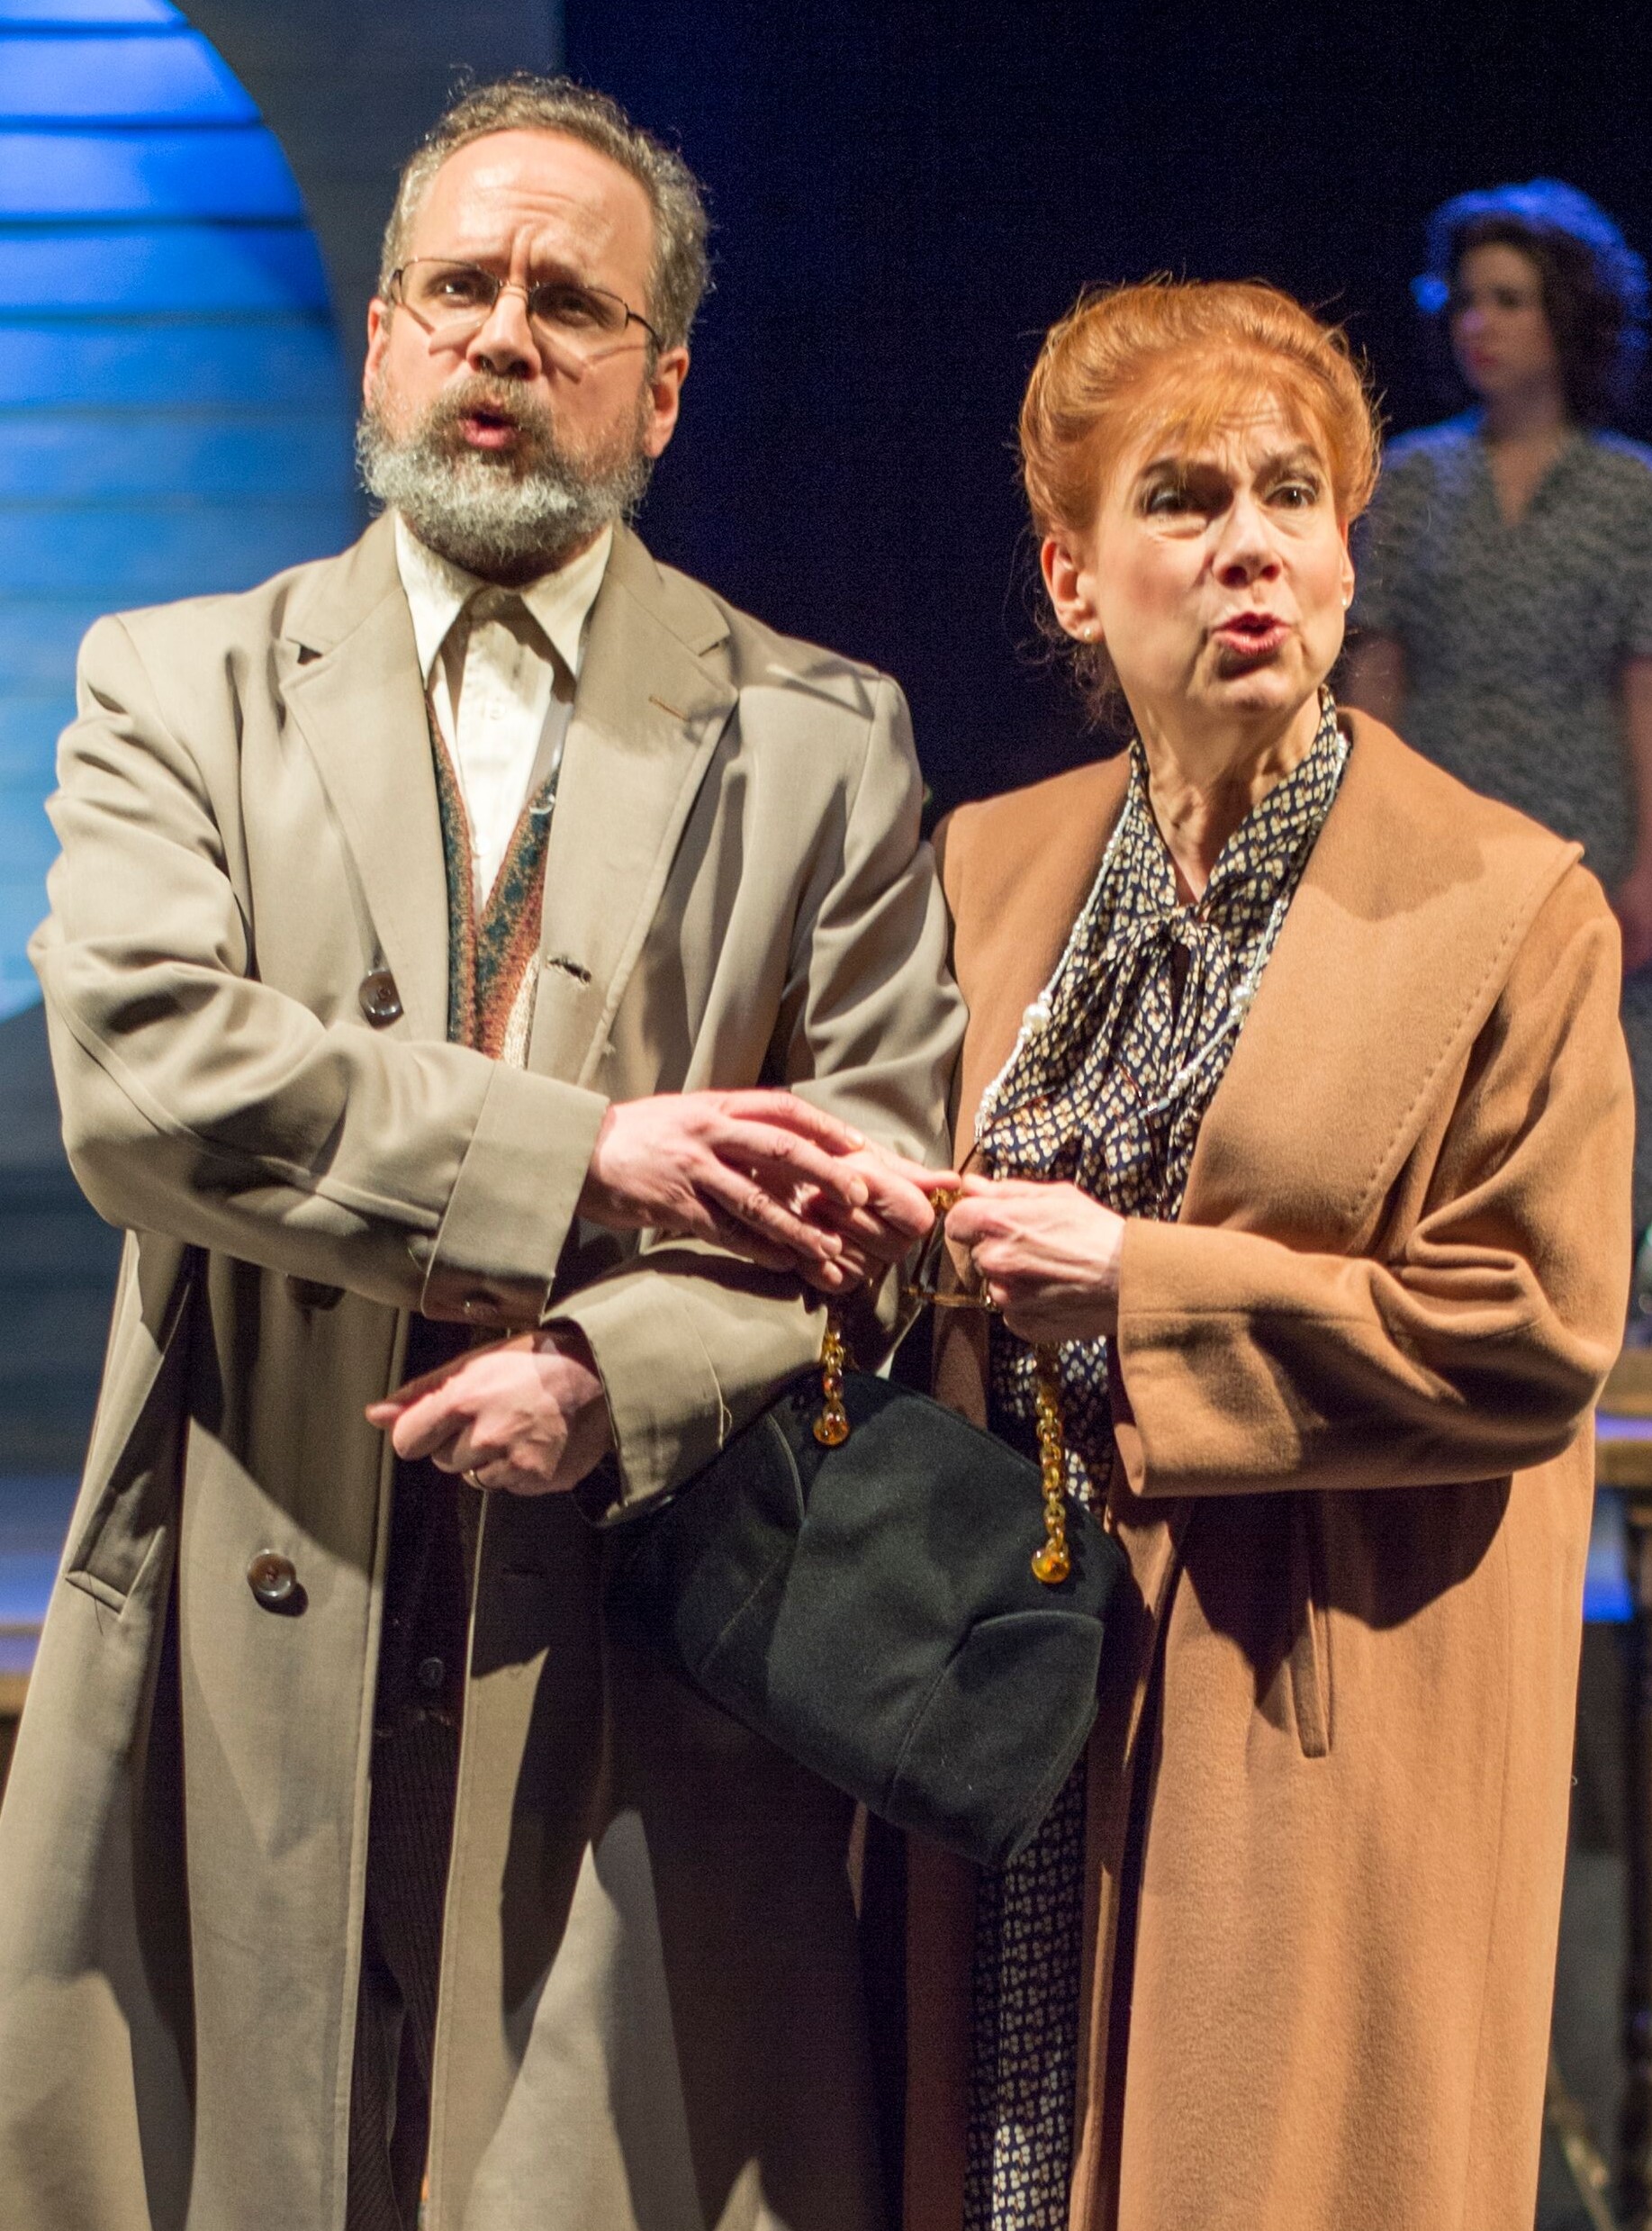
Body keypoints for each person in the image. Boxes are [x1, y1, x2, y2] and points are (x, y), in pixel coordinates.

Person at [0, 77, 962, 2231]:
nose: (504, 335)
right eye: (458, 287)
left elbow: (880, 1195)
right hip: (256, 1562)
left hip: (632, 1636)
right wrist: (591, 1155)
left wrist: (616, 1370)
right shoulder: (179, 686)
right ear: (380, 340)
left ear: (661, 385)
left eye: (569, 301)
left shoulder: (817, 735)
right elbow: (138, 1073)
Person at [889, 279, 1632, 2231]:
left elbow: (1530, 1330)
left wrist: (1140, 1286)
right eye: (1183, 496)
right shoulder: (989, 864)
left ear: (1344, 551)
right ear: (1073, 580)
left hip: (1309, 1704)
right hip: (1012, 1684)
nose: (1249, 544)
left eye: (1291, 495)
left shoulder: (1504, 906)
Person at [1343, 179, 1652, 1236]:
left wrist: (1648, 862)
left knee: (1584, 1079)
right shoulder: (1412, 477)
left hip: (1581, 818)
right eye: (1465, 300)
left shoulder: (1629, 491)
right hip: (1439, 811)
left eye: (1508, 300)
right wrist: (1362, 827)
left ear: (1566, 315)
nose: (1478, 323)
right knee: (1437, 1080)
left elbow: (1640, 683)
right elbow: (1375, 671)